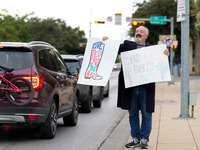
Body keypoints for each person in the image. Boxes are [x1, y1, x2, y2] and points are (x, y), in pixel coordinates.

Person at [103, 26, 169, 149]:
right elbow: (114, 48)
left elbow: (161, 62)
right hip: (130, 88)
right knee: (132, 113)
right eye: (137, 31)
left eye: (141, 31)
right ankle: (135, 138)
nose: (138, 33)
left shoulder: (152, 50)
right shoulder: (127, 46)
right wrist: (107, 41)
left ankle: (144, 139)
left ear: (146, 36)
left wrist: (165, 54)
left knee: (146, 113)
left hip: (146, 87)